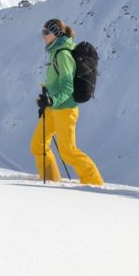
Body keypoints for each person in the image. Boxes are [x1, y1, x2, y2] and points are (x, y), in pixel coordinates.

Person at [30, 19, 104, 186]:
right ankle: (50, 181)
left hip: (65, 109)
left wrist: (52, 100)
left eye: (45, 32)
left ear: (55, 33)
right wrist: (46, 100)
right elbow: (54, 82)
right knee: (38, 145)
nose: (42, 36)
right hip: (53, 108)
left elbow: (67, 87)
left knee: (68, 152)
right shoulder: (55, 52)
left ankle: (95, 184)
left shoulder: (63, 55)